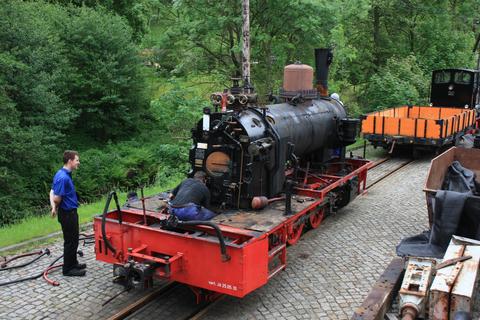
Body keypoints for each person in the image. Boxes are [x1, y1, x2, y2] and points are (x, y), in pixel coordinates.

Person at [50, 150, 86, 277]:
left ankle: (73, 263)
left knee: (74, 239)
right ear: (70, 161)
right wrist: (54, 206)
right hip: (67, 214)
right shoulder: (62, 177)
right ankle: (68, 269)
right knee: (70, 241)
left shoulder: (65, 174)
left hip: (71, 213)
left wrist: (53, 208)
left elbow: (52, 190)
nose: (78, 162)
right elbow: (56, 196)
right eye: (77, 160)